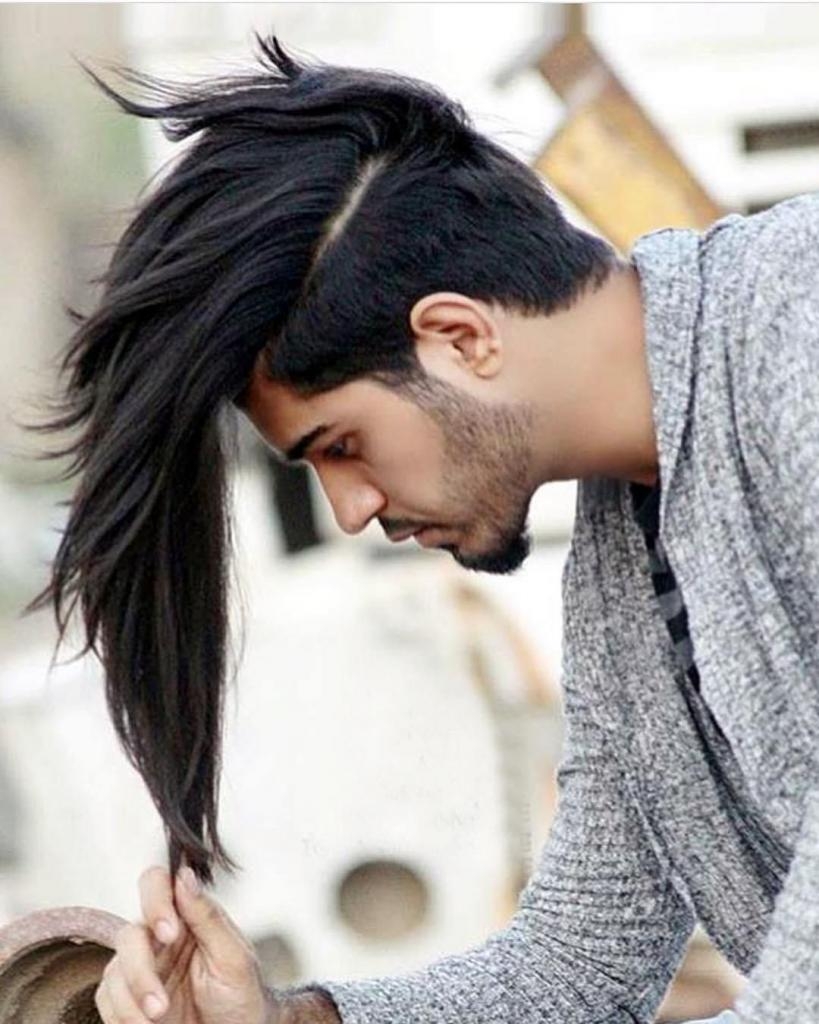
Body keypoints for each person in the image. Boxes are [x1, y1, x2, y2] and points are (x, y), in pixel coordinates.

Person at [29, 34, 819, 1024]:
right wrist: (285, 1020)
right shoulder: (626, 559)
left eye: (343, 445)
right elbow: (576, 967)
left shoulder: (795, 319)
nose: (352, 508)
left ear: (460, 336)